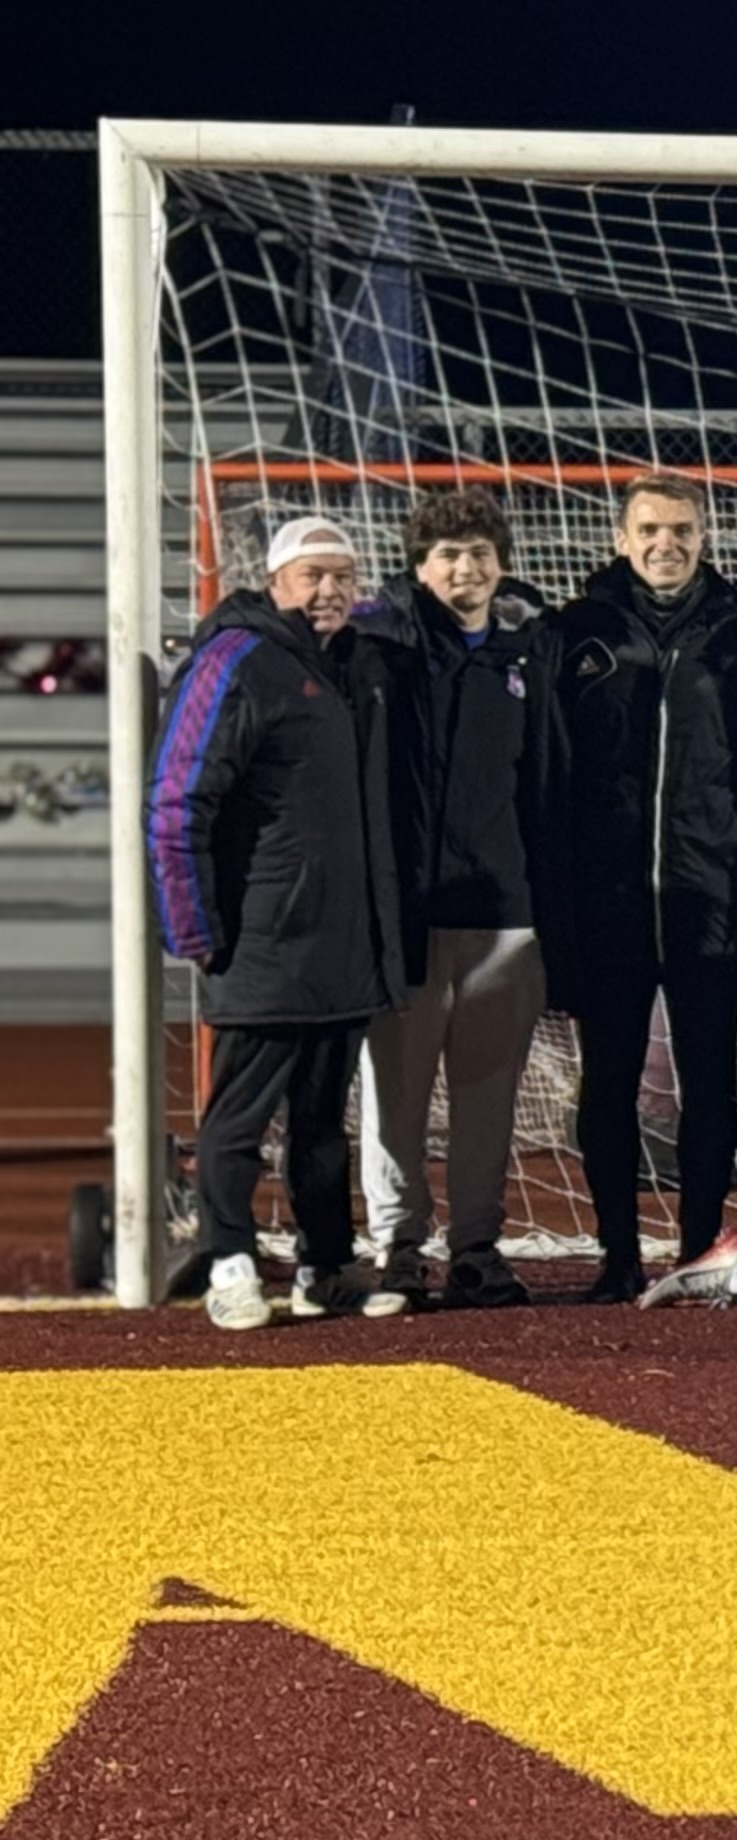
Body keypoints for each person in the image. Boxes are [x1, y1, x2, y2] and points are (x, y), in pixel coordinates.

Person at [148, 514, 408, 1330]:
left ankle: (324, 1265)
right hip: (260, 939)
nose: (329, 590)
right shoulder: (235, 660)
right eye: (311, 576)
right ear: (275, 582)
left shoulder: (351, 663)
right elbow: (176, 801)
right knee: (237, 1120)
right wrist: (190, 926)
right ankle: (229, 1261)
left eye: (342, 575)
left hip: (342, 942)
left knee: (324, 1124)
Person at [540, 473, 737, 1301]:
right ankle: (616, 1255)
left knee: (709, 1081)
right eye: (649, 530)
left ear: (703, 538)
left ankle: (701, 1246)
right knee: (610, 1081)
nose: (665, 544)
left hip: (710, 888)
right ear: (621, 538)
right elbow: (550, 765)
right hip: (609, 897)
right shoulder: (579, 629)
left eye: (680, 529)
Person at [354, 484, 556, 1309]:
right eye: (446, 555)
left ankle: (477, 1245)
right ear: (418, 567)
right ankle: (398, 1247)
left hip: (505, 916)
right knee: (394, 1099)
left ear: (502, 564)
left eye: (478, 553)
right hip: (408, 918)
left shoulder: (526, 655)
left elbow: (546, 781)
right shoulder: (385, 649)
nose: (464, 568)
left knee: (486, 1097)